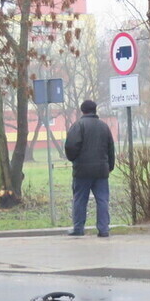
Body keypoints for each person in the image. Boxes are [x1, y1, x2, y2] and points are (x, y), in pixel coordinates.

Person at [64, 99, 116, 237]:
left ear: (83, 110)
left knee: (80, 199)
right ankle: (103, 229)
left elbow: (70, 146)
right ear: (95, 110)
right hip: (101, 170)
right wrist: (109, 166)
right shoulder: (104, 127)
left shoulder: (78, 126)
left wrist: (74, 159)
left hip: (82, 170)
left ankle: (78, 228)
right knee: (102, 200)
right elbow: (110, 148)